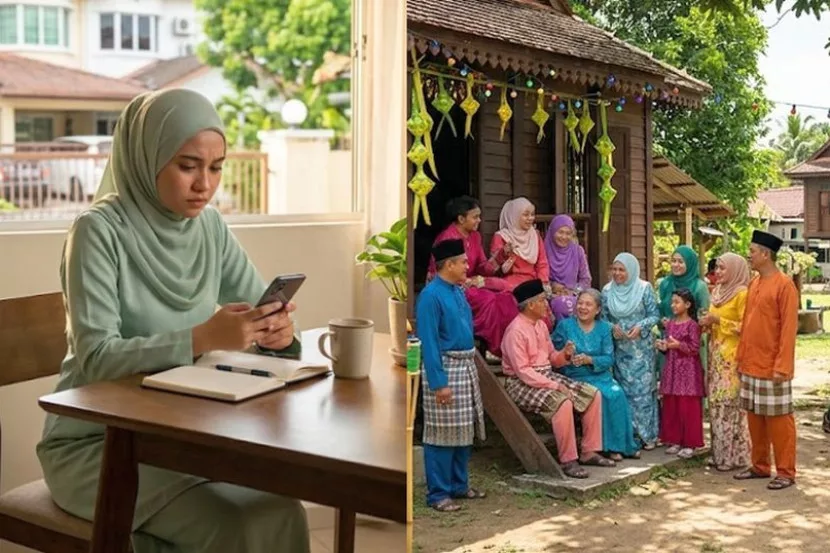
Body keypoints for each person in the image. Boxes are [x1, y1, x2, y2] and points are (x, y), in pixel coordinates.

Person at [36, 89, 309, 553]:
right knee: (235, 527)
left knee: (282, 512)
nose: (205, 183)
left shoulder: (209, 227)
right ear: (147, 157)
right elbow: (97, 357)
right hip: (96, 444)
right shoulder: (97, 232)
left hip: (181, 436)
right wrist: (203, 336)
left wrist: (276, 333)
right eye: (187, 166)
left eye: (217, 167)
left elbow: (259, 305)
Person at [500, 279, 613, 479]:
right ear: (531, 304)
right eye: (543, 301)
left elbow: (553, 358)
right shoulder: (515, 331)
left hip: (545, 375)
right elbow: (523, 371)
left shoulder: (541, 326)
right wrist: (555, 385)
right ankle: (568, 460)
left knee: (592, 394)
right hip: (521, 383)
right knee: (563, 402)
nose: (547, 305)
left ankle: (589, 452)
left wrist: (566, 354)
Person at [417, 238, 487, 512]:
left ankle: (459, 485)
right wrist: (438, 383)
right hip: (445, 368)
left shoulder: (458, 291)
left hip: (465, 366)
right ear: (448, 265)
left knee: (463, 431)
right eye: (463, 261)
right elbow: (429, 342)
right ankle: (438, 494)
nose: (467, 265)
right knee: (440, 435)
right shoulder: (430, 296)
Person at [734, 230, 798, 490]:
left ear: (765, 254)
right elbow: (748, 324)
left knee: (780, 420)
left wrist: (783, 366)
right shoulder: (755, 283)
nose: (748, 255)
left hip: (774, 366)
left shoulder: (785, 285)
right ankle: (760, 466)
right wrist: (740, 358)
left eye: (752, 251)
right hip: (750, 363)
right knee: (755, 418)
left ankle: (786, 471)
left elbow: (789, 330)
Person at [553, 289, 640, 461]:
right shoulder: (565, 326)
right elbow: (553, 351)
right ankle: (606, 449)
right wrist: (567, 355)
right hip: (574, 376)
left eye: (588, 304)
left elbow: (609, 358)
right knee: (600, 395)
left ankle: (621, 446)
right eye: (580, 303)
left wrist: (589, 360)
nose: (583, 307)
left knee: (616, 394)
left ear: (598, 309)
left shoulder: (603, 329)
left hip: (599, 375)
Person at [427, 196, 517, 356]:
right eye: (475, 217)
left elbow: (483, 268)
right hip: (450, 288)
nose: (479, 220)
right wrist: (470, 281)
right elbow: (442, 274)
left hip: (471, 284)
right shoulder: (447, 238)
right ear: (461, 219)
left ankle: (507, 348)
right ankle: (492, 346)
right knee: (488, 299)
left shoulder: (475, 237)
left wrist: (502, 255)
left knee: (506, 298)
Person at [601, 252, 661, 450]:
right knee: (624, 393)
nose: (617, 273)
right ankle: (630, 436)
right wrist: (612, 328)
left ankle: (648, 435)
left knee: (643, 394)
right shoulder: (607, 291)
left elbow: (655, 315)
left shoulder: (644, 288)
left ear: (632, 270)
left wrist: (640, 327)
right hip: (620, 351)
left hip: (642, 351)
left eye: (622, 269)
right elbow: (602, 318)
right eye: (615, 269)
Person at [699, 252, 751, 472]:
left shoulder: (742, 293)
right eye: (716, 268)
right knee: (717, 406)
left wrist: (718, 320)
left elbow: (745, 327)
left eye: (722, 268)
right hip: (716, 356)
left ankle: (734, 457)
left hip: (733, 358)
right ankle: (719, 454)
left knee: (731, 406)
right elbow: (714, 322)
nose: (717, 272)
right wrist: (707, 325)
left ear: (735, 270)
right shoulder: (718, 291)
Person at [657, 289, 706, 459]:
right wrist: (663, 346)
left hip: (688, 371)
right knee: (672, 404)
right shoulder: (670, 324)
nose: (673, 305)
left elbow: (694, 348)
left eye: (677, 302)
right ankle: (674, 439)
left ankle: (690, 443)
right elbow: (669, 345)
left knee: (688, 406)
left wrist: (678, 345)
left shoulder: (693, 325)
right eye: (672, 302)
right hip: (672, 369)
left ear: (687, 305)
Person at [658, 245, 711, 381]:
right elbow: (659, 310)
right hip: (668, 343)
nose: (676, 265)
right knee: (669, 384)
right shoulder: (665, 284)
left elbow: (703, 316)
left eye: (681, 262)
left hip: (690, 345)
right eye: (674, 261)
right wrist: (662, 321)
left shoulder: (699, 287)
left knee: (688, 385)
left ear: (690, 263)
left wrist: (684, 328)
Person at [489, 197, 550, 291]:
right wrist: (505, 254)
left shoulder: (535, 235)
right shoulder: (502, 236)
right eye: (525, 215)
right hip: (509, 284)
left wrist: (543, 283)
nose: (530, 218)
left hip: (532, 283)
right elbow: (495, 267)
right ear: (515, 216)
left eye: (532, 214)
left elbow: (542, 264)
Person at [544, 215, 592, 322]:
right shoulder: (543, 250)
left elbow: (586, 279)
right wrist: (552, 286)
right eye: (560, 232)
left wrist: (573, 292)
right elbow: (539, 276)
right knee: (560, 304)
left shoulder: (578, 251)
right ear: (552, 232)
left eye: (568, 233)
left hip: (574, 295)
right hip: (550, 295)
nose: (564, 237)